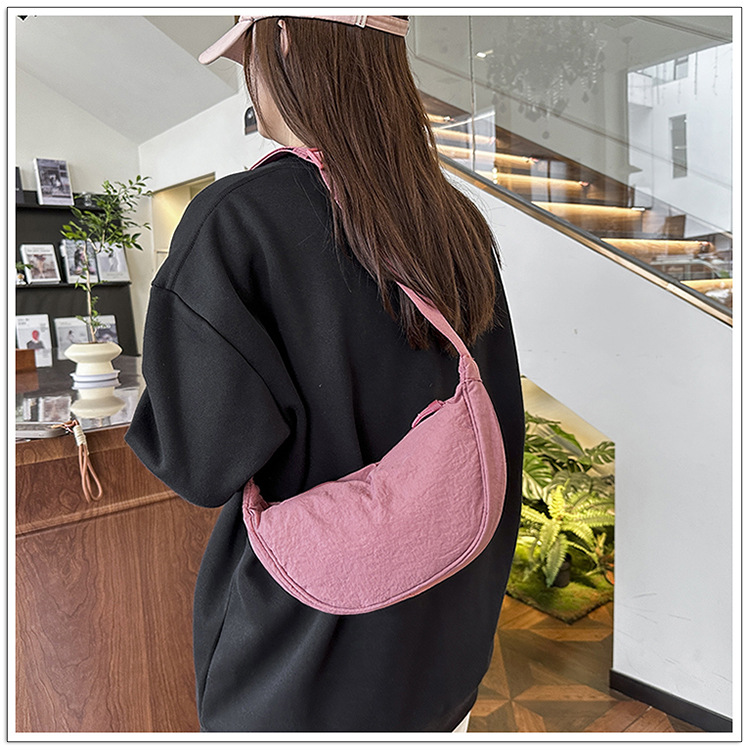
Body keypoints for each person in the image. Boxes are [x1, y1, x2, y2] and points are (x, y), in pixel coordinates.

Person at [125, 15, 524, 733]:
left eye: (247, 55)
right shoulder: (457, 219)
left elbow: (199, 463)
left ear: (282, 38)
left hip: (304, 666)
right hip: (442, 652)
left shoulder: (237, 220)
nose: (249, 79)